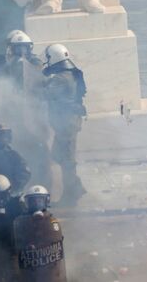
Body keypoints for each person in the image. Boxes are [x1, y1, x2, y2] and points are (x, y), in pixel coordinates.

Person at [0, 31, 53, 191]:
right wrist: (5, 66)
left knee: (38, 151)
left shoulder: (36, 62)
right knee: (16, 152)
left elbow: (42, 82)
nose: (21, 51)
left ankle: (42, 188)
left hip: (34, 115)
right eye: (17, 48)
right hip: (12, 115)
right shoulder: (2, 61)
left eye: (24, 47)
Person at [41, 44, 88, 206]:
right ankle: (75, 187)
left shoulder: (61, 78)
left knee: (67, 160)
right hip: (68, 122)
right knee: (58, 155)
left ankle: (71, 194)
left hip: (66, 124)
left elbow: (46, 94)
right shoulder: (69, 73)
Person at [13, 185, 67, 281]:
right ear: (27, 203)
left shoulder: (53, 221)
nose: (37, 205)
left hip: (50, 272)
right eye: (33, 202)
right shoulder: (20, 222)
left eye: (40, 201)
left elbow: (57, 247)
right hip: (30, 273)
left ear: (46, 201)